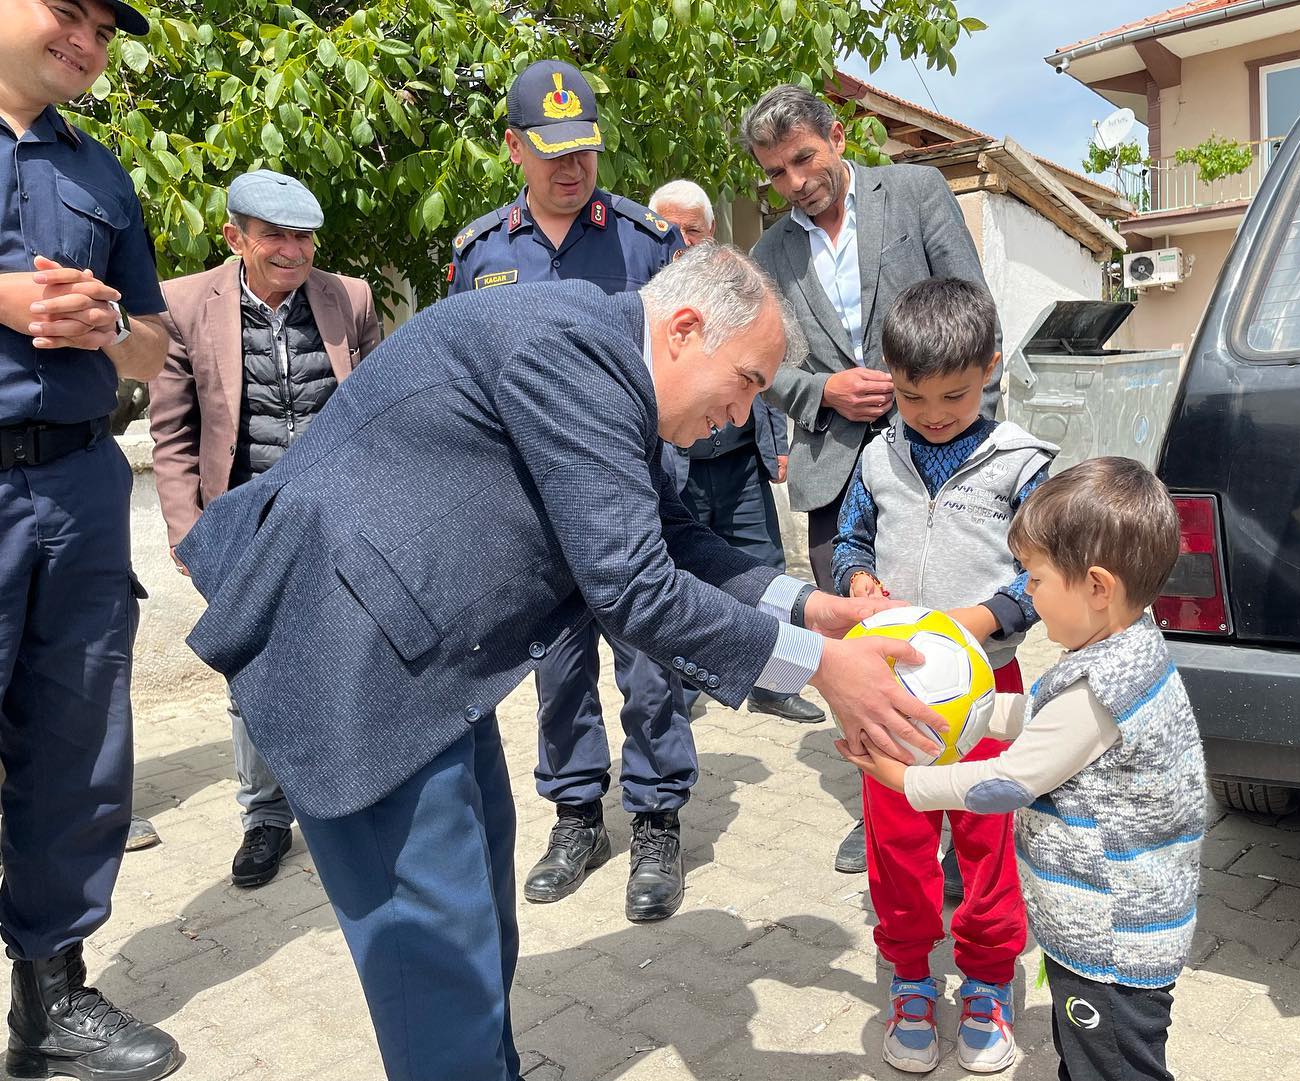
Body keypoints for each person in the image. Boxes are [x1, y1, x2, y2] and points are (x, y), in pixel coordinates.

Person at [174, 245, 950, 1081]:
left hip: (430, 658)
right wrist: (824, 667)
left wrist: (808, 606)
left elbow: (672, 537)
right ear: (686, 329)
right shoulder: (575, 352)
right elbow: (634, 585)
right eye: (751, 380)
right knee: (434, 961)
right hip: (353, 657)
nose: (743, 413)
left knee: (479, 929)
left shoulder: (610, 364)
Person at [841, 457, 1206, 1081]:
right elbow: (1038, 710)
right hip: (1115, 928)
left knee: (1112, 1069)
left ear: (1096, 587)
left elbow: (1003, 784)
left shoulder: (1101, 690)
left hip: (1111, 942)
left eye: (1034, 580)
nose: (1027, 596)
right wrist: (961, 712)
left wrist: (906, 781)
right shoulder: (1124, 647)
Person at [447, 60, 697, 921]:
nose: (571, 167)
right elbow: (465, 375)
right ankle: (577, 814)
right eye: (552, 151)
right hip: (534, 506)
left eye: (584, 149)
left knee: (651, 659)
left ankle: (658, 817)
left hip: (631, 490)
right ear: (514, 147)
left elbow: (685, 369)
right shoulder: (482, 255)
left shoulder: (647, 243)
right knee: (556, 667)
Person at [743, 83, 1002, 873]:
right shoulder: (769, 254)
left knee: (948, 638)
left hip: (936, 455)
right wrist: (820, 390)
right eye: (776, 173)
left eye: (803, 160)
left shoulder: (917, 192)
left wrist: (976, 440)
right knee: (862, 644)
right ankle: (888, 802)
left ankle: (968, 807)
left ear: (838, 137)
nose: (794, 183)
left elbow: (973, 308)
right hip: (831, 471)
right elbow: (763, 363)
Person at [0, 1, 182, 1077]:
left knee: (76, 748)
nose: (88, 40)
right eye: (67, 11)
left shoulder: (101, 172)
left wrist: (110, 328)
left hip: (75, 483)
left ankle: (49, 1004)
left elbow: (157, 343)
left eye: (105, 30)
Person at [832, 279, 1053, 1073]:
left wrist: (979, 621)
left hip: (990, 690)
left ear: (991, 368)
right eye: (913, 395)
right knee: (897, 841)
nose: (931, 413)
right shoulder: (878, 456)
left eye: (955, 395)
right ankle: (913, 975)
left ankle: (992, 976)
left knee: (989, 835)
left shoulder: (1021, 463)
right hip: (887, 690)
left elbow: (1045, 572)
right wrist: (859, 586)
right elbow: (851, 541)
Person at [149, 169, 381, 887]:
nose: (293, 250)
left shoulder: (352, 298)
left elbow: (382, 407)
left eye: (303, 236)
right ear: (235, 238)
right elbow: (173, 431)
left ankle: (351, 795)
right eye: (274, 235)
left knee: (353, 656)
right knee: (251, 673)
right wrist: (188, 532)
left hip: (337, 515)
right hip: (244, 521)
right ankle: (264, 817)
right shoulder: (185, 304)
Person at [650, 179, 823, 724]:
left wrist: (776, 449)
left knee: (761, 562)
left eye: (692, 230)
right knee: (684, 573)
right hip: (679, 472)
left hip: (738, 465)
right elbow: (637, 585)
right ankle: (687, 687)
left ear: (711, 231)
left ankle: (775, 683)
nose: (682, 240)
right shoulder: (650, 312)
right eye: (670, 230)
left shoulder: (744, 294)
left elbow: (762, 386)